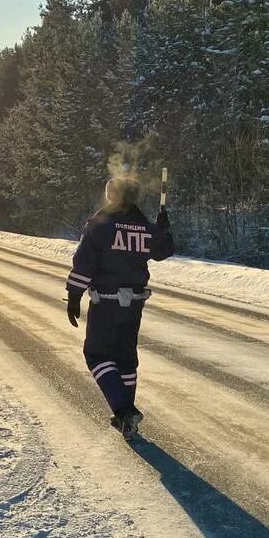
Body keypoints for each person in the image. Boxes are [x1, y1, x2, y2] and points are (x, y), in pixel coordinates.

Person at [64, 175, 174, 438]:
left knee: (97, 355)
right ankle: (127, 417)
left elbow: (84, 263)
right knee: (125, 360)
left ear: (111, 195)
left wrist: (74, 295)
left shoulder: (100, 224)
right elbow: (164, 250)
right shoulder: (144, 226)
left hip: (106, 302)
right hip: (134, 304)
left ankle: (124, 411)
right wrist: (163, 228)